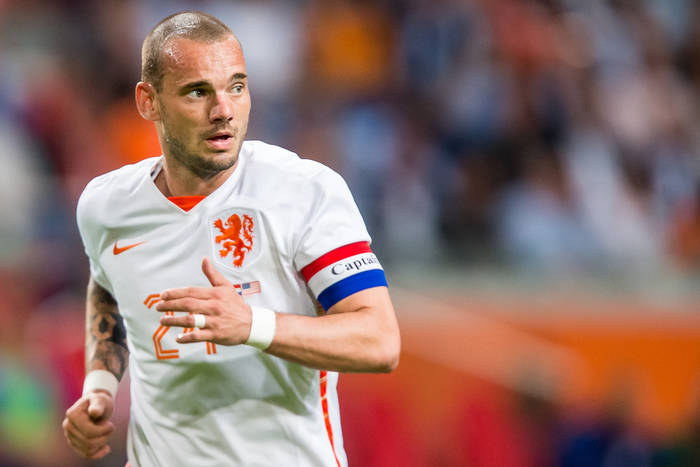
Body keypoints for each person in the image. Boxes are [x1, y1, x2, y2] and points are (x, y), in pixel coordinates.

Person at [61, 11, 400, 467]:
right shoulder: (106, 205)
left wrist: (252, 325)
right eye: (198, 91)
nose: (223, 110)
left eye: (236, 87)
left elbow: (379, 340)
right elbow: (107, 288)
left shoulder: (303, 191)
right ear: (148, 102)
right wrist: (100, 388)